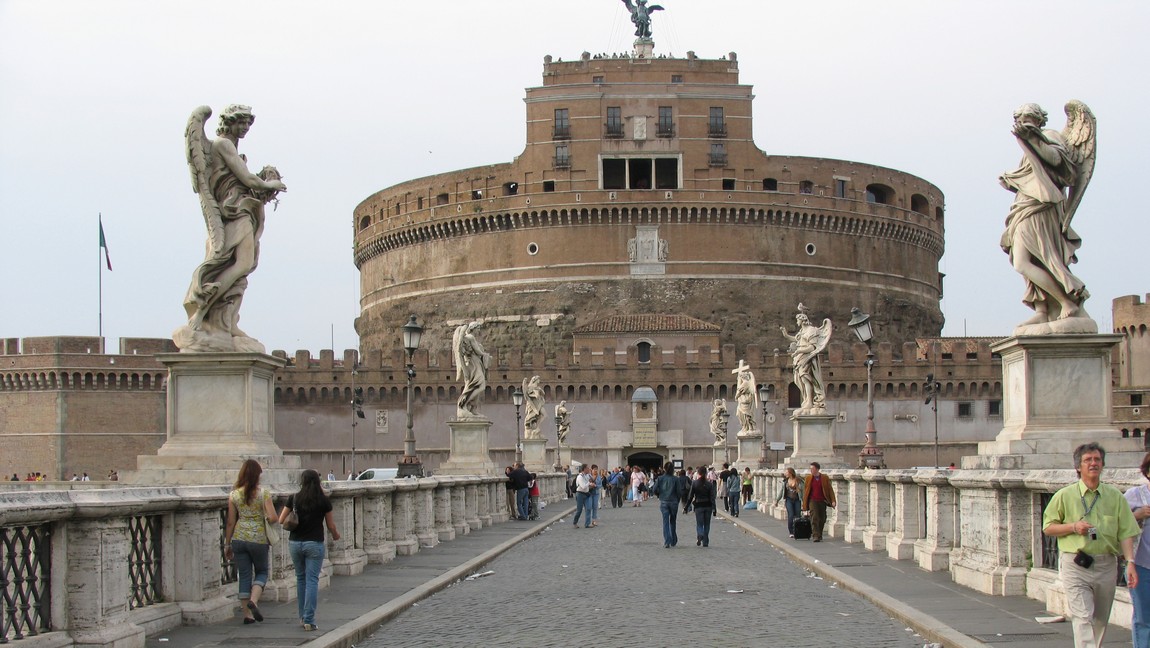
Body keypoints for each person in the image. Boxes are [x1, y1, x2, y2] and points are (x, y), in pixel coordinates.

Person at [180, 104, 286, 351]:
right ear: (230, 122)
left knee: (242, 267)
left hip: (242, 211)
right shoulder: (222, 145)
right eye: (242, 123)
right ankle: (202, 311)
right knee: (242, 264)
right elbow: (247, 179)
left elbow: (244, 182)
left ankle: (227, 322)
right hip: (233, 213)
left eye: (249, 124)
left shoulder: (231, 148)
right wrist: (273, 185)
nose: (245, 129)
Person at [999, 101, 1096, 329]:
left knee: (1034, 258)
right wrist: (1011, 179)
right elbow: (1032, 175)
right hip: (1025, 206)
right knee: (1024, 261)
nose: (1022, 123)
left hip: (1042, 207)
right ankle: (1042, 309)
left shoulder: (1049, 135)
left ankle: (1067, 302)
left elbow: (1059, 163)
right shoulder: (1027, 143)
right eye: (1019, 119)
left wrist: (1033, 139)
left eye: (1027, 118)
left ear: (1038, 119)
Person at [1043, 442, 1138, 646]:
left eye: (1097, 460)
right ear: (1078, 467)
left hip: (1106, 564)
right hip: (1075, 563)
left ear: (1102, 465)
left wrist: (1130, 562)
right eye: (1088, 460)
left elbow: (1126, 532)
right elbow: (1048, 527)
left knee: (1100, 619)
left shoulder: (1115, 496)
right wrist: (1073, 527)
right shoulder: (1064, 495)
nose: (1093, 463)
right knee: (1083, 616)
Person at [278, 469, 340, 632]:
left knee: (300, 579)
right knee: (312, 580)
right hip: (314, 543)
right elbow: (330, 525)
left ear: (302, 481)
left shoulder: (294, 498)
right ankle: (309, 619)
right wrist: (336, 535)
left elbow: (281, 519)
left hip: (295, 543)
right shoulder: (323, 501)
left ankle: (302, 617)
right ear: (317, 481)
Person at [224, 459, 279, 624]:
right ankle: (254, 601)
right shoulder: (263, 494)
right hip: (258, 538)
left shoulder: (234, 495)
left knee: (245, 575)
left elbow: (230, 522)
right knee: (262, 572)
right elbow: (273, 518)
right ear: (257, 476)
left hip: (239, 538)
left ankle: (247, 615)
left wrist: (227, 544)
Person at [780, 305, 833, 414]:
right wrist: (786, 335)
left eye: (797, 320)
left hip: (806, 358)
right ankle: (806, 400)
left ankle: (809, 401)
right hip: (799, 359)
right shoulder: (801, 332)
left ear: (803, 320)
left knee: (806, 378)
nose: (796, 322)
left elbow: (812, 347)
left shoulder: (811, 330)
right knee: (798, 380)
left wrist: (799, 351)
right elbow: (796, 339)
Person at [1125, 452, 1150, 648]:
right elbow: (1118, 525)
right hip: (1142, 565)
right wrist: (1138, 514)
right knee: (1144, 618)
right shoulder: (1136, 495)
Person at [453, 321, 490, 418]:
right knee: (479, 384)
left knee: (476, 385)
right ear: (473, 328)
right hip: (473, 364)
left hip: (476, 363)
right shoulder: (470, 337)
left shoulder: (470, 338)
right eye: (478, 328)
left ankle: (473, 408)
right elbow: (477, 351)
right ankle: (463, 405)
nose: (479, 330)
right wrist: (485, 355)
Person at [649, 462, 684, 548]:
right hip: (674, 501)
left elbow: (654, 489)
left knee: (665, 522)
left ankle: (667, 541)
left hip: (664, 501)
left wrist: (659, 494)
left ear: (664, 469)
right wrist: (678, 499)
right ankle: (673, 540)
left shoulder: (660, 478)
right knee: (673, 521)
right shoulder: (676, 479)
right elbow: (679, 492)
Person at [801, 462, 836, 542]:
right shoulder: (808, 478)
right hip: (812, 500)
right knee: (814, 517)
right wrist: (804, 503)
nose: (811, 471)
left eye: (812, 469)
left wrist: (833, 500)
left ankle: (819, 533)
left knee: (822, 518)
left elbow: (830, 490)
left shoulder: (824, 478)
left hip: (822, 500)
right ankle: (815, 535)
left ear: (817, 469)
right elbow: (806, 491)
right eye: (810, 469)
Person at [685, 468, 717, 547]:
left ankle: (700, 534)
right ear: (706, 474)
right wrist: (714, 508)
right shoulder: (709, 484)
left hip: (699, 505)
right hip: (708, 505)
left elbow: (690, 496)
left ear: (698, 473)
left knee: (699, 523)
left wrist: (686, 507)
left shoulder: (695, 483)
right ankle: (705, 542)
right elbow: (712, 497)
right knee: (707, 524)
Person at [775, 467, 805, 537]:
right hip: (789, 500)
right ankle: (791, 531)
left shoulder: (798, 481)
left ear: (790, 473)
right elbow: (781, 491)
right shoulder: (785, 481)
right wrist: (777, 500)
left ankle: (797, 530)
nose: (785, 473)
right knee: (791, 515)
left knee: (798, 515)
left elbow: (803, 491)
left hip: (797, 499)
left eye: (786, 472)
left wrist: (804, 502)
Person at [731, 361, 758, 434]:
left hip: (745, 402)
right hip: (744, 402)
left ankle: (748, 427)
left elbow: (739, 392)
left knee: (744, 415)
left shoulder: (745, 383)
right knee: (744, 416)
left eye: (740, 377)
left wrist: (736, 397)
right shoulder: (747, 383)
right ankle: (747, 427)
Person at [572, 464, 594, 528]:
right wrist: (589, 483)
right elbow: (583, 486)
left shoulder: (587, 475)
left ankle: (587, 524)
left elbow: (590, 481)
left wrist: (591, 483)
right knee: (579, 510)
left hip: (586, 494)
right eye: (587, 468)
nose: (589, 469)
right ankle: (575, 522)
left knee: (589, 508)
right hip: (580, 494)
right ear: (584, 469)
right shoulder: (580, 477)